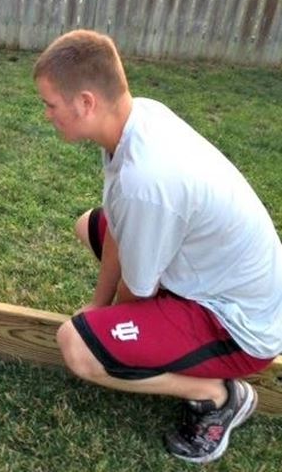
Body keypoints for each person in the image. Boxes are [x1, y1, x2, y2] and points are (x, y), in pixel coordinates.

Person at [33, 29, 282, 463]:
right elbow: (117, 225)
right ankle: (175, 344)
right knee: (88, 225)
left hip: (241, 327)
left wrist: (107, 328)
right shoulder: (136, 118)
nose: (47, 115)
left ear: (86, 102)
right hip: (219, 280)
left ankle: (217, 396)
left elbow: (138, 291)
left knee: (78, 347)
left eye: (50, 105)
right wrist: (98, 305)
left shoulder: (145, 181)